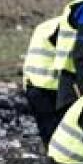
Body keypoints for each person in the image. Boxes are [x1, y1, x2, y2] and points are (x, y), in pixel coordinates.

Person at [22, 16, 64, 149]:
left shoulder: (47, 25)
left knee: (48, 133)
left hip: (32, 83)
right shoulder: (69, 28)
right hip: (51, 87)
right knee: (58, 135)